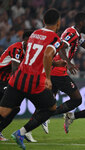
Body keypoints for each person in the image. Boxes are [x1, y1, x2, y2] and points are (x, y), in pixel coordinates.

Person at [0, 8, 63, 150]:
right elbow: (47, 55)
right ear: (58, 23)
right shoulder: (54, 38)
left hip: (17, 78)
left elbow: (37, 55)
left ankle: (20, 133)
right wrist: (48, 77)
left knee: (3, 112)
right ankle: (21, 133)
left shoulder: (35, 33)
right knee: (51, 108)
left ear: (43, 21)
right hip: (34, 81)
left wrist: (55, 62)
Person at [0, 30, 46, 142]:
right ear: (25, 40)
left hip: (8, 81)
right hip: (2, 80)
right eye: (31, 40)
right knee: (10, 108)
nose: (33, 43)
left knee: (15, 108)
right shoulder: (17, 48)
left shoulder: (30, 52)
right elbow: (15, 70)